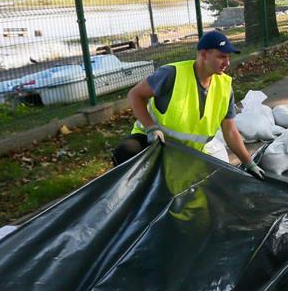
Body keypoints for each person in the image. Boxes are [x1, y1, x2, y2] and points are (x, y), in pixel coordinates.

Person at [112, 30, 264, 179]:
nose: (227, 62)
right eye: (221, 56)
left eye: (228, 57)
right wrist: (151, 128)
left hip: (187, 152)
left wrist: (249, 163)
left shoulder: (224, 86)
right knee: (126, 151)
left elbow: (230, 132)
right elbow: (135, 95)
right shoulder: (172, 74)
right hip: (154, 142)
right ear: (204, 54)